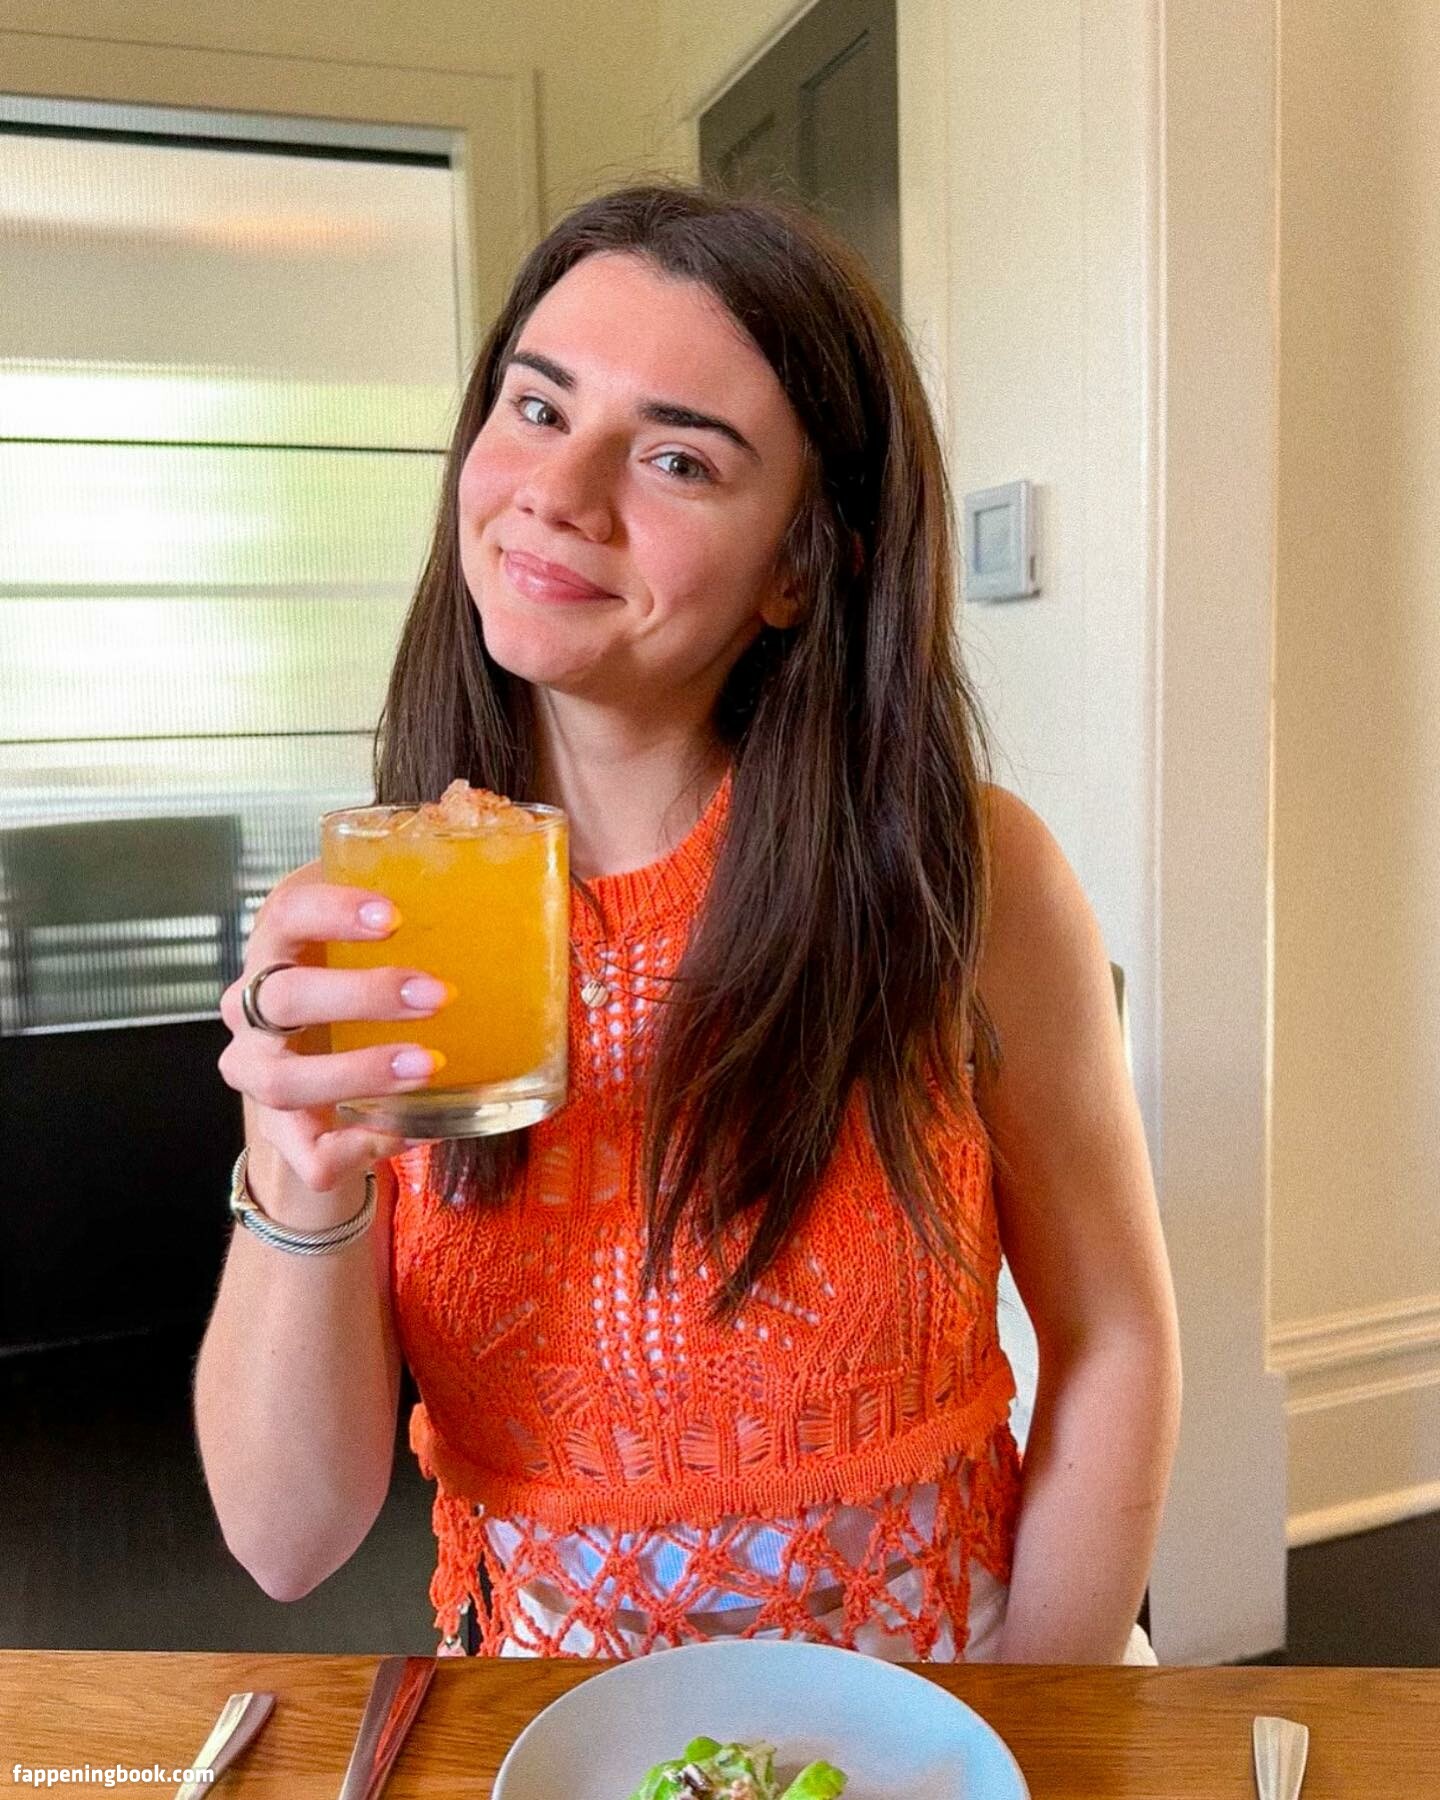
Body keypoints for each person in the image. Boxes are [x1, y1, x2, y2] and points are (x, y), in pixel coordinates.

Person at [196, 182, 1181, 1663]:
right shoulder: (391, 910)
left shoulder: (959, 875)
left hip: (947, 1687)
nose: (559, 491)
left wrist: (1039, 1724)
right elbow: (288, 1541)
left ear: (799, 565)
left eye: (676, 458)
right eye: (538, 408)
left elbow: (1114, 1340)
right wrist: (298, 1170)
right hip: (555, 1728)